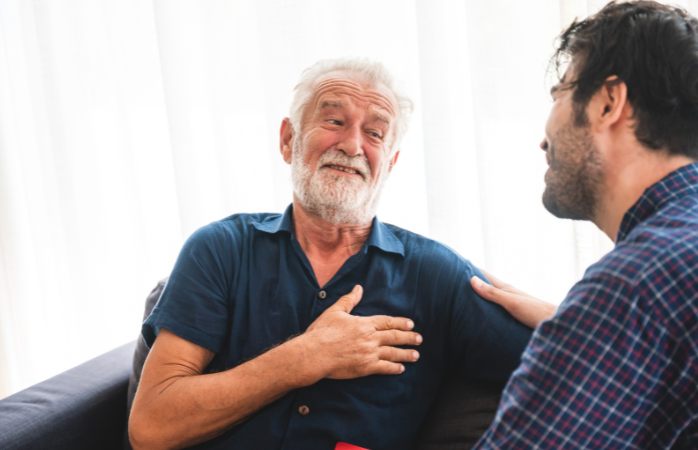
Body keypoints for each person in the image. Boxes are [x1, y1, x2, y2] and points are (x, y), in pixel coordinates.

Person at [128, 58, 533, 450]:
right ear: (289, 140)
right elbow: (151, 428)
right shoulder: (220, 249)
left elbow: (574, 365)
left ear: (389, 163)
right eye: (334, 121)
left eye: (375, 133)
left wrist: (552, 311)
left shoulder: (435, 274)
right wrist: (306, 356)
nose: (354, 145)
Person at [470, 2, 698, 448]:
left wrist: (592, 322)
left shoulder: (633, 288)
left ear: (608, 102)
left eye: (559, 95)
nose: (543, 139)